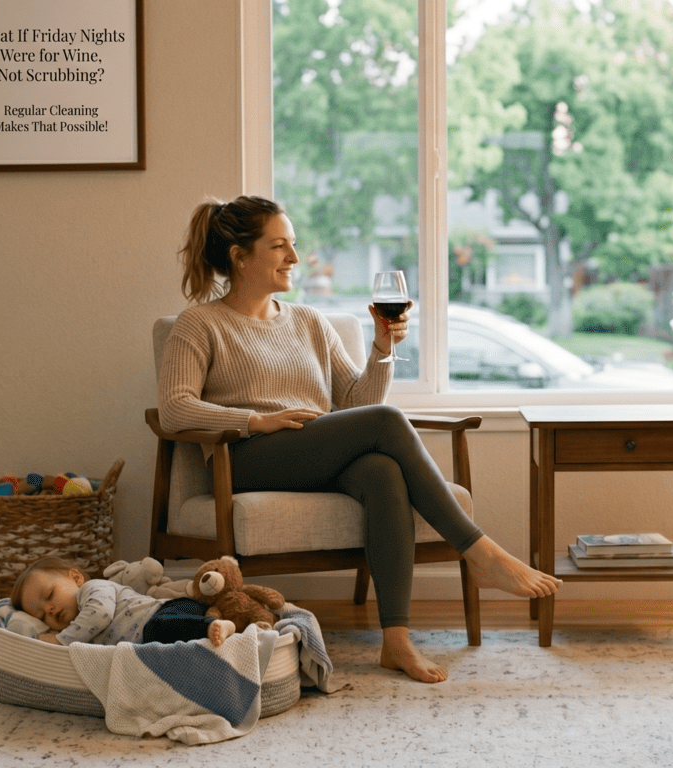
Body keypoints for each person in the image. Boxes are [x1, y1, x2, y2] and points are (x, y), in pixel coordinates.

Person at [157, 195, 561, 683]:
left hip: (309, 451)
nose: (294, 257)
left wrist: (383, 348)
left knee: (381, 470)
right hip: (244, 457)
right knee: (388, 421)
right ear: (241, 256)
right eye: (279, 246)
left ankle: (396, 640)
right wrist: (256, 421)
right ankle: (479, 553)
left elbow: (353, 401)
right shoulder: (199, 324)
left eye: (294, 245)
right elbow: (174, 408)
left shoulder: (308, 321)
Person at [10, 556, 235, 647]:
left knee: (157, 629)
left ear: (76, 578)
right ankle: (220, 629)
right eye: (42, 616)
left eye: (49, 595)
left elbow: (100, 614)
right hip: (159, 632)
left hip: (169, 610)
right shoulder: (78, 631)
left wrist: (60, 640)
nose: (49, 609)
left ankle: (214, 626)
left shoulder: (92, 589)